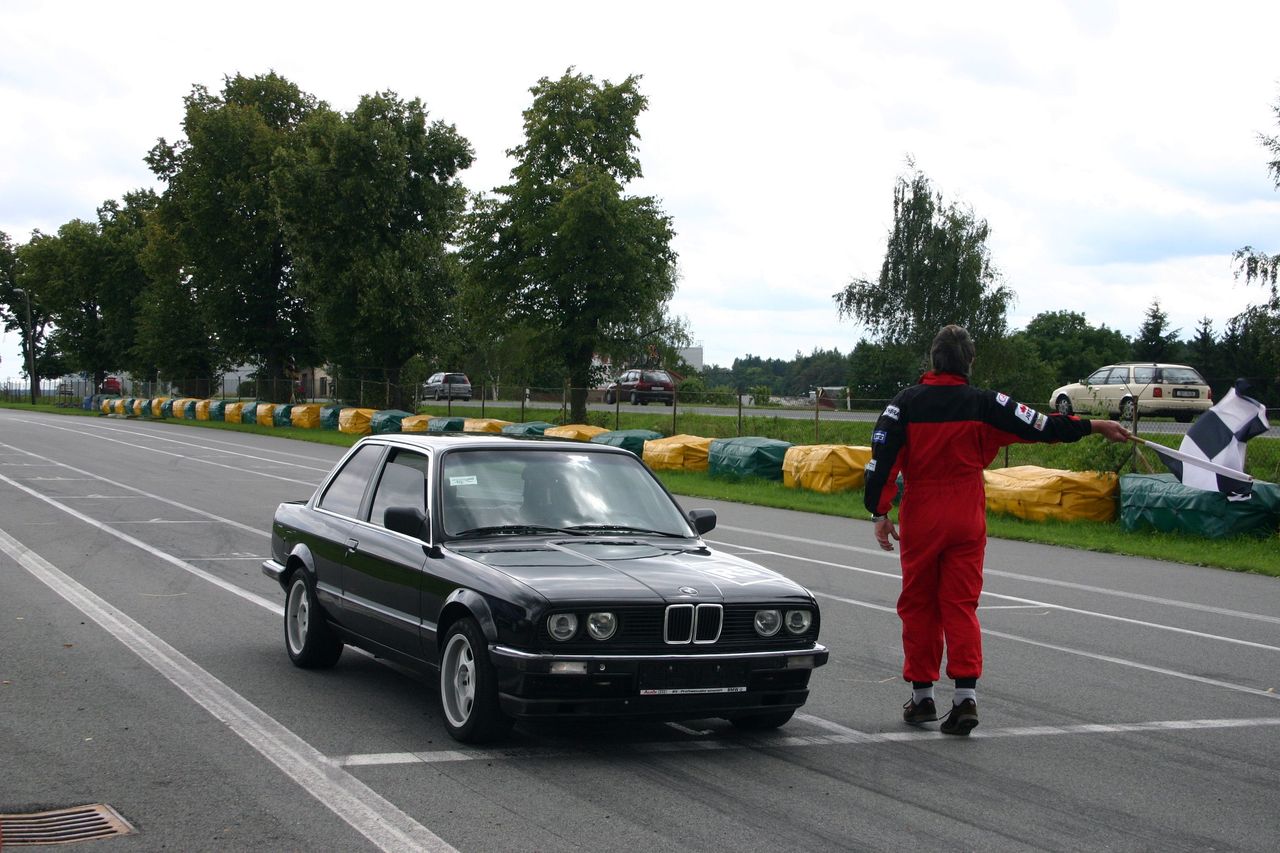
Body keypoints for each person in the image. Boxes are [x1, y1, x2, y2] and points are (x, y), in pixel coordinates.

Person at [863, 324, 1130, 735]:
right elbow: (1044, 426)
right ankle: (965, 698)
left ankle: (922, 697)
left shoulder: (905, 403)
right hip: (967, 510)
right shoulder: (987, 403)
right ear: (970, 362)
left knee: (919, 604)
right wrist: (1094, 425)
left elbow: (882, 457)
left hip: (924, 511)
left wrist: (879, 512)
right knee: (961, 603)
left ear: (933, 360)